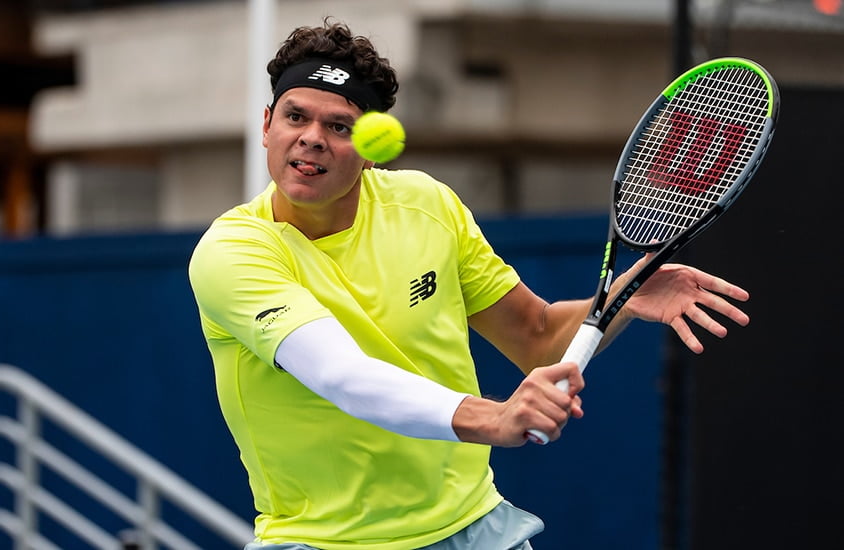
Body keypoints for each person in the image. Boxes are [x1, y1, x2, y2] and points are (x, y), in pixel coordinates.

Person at [188, 19, 750, 550]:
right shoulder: (233, 252)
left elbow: (535, 338)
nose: (312, 138)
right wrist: (495, 418)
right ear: (267, 126)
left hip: (473, 527)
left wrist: (621, 298)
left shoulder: (427, 205)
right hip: (321, 537)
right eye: (295, 117)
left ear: (370, 146)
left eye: (339, 126)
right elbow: (343, 376)